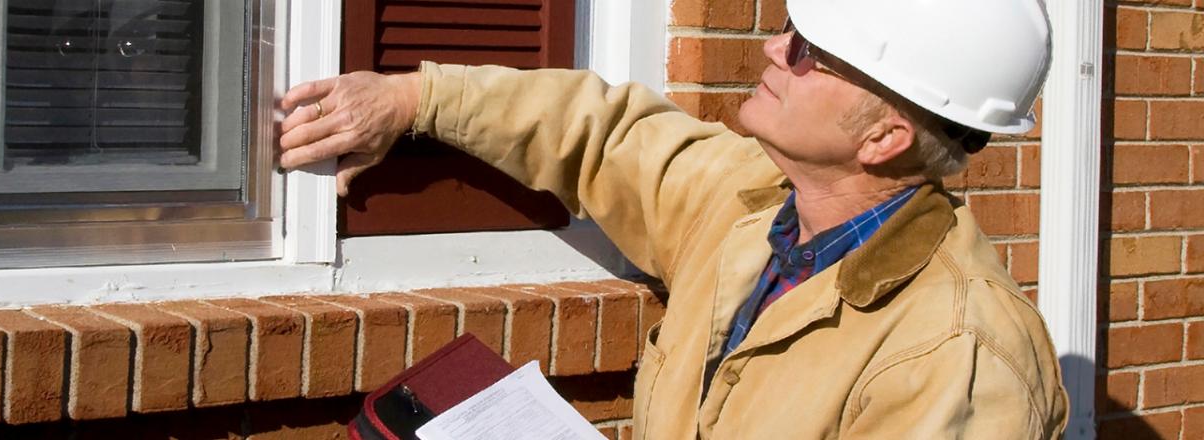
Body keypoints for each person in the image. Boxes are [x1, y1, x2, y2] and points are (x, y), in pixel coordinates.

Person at [278, 0, 1068, 438]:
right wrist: (414, 98)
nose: (770, 46)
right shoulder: (749, 204)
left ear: (884, 137)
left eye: (806, 52)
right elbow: (600, 135)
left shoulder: (959, 360)